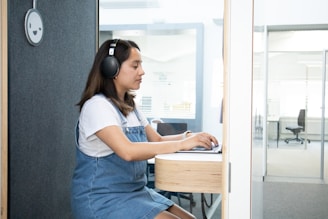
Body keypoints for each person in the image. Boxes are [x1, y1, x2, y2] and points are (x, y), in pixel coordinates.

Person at [71, 39, 219, 219]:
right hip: (103, 200)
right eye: (135, 66)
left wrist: (190, 137)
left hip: (136, 193)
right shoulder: (97, 107)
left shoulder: (130, 106)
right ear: (112, 68)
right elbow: (128, 151)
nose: (142, 71)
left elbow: (157, 140)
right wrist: (183, 144)